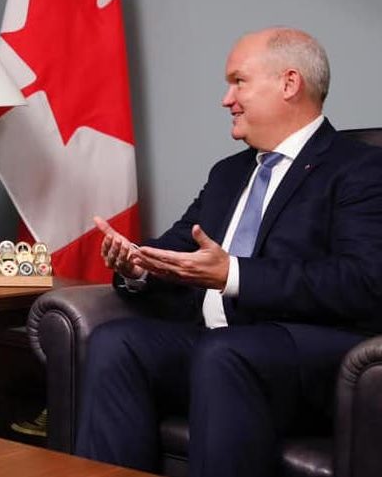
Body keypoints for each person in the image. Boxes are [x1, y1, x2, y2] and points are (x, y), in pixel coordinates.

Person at [76, 27, 382, 477]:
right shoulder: (228, 173)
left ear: (289, 84)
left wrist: (234, 275)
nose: (226, 98)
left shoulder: (360, 169)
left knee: (227, 352)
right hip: (218, 346)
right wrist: (138, 263)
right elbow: (181, 244)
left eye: (238, 81)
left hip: (311, 356)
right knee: (117, 341)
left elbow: (363, 282)